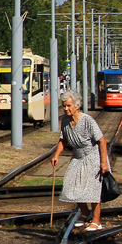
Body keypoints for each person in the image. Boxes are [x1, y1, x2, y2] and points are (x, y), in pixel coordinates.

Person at [50, 88, 110, 231]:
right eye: (64, 106)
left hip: (92, 156)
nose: (65, 109)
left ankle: (96, 221)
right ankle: (84, 212)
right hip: (77, 157)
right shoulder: (65, 120)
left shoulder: (87, 120)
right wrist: (56, 155)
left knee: (92, 190)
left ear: (77, 106)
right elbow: (63, 139)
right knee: (71, 186)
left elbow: (102, 141)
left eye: (68, 106)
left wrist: (103, 162)